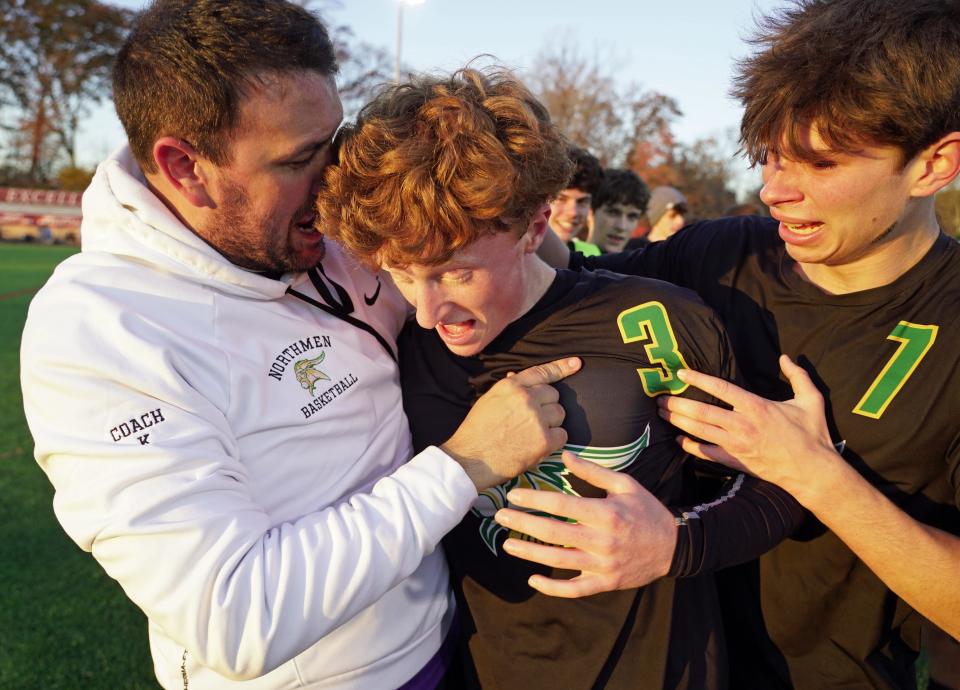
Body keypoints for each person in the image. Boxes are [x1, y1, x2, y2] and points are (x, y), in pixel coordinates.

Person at [18, 2, 580, 688]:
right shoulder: (103, 328)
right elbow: (235, 617)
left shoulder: (325, 231)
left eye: (332, 143)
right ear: (185, 166)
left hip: (451, 642)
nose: (336, 181)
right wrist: (464, 465)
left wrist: (512, 204)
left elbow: (495, 261)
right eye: (301, 159)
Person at [318, 64, 804, 690]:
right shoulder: (397, 342)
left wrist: (675, 542)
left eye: (457, 272)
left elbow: (782, 486)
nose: (429, 310)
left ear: (534, 227)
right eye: (403, 273)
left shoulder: (656, 322)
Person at [533, 0, 960, 687]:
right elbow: (555, 279)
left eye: (819, 165)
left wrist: (812, 473)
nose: (774, 191)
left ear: (934, 164)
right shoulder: (718, 254)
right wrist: (510, 186)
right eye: (770, 156)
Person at [548, 145, 603, 256]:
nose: (573, 212)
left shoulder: (592, 256)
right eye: (561, 199)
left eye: (582, 202)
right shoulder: (513, 257)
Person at [588, 168, 650, 253]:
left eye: (632, 217)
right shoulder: (566, 259)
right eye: (613, 213)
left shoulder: (640, 263)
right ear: (591, 210)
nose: (621, 226)